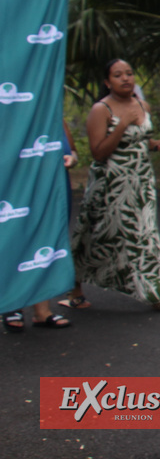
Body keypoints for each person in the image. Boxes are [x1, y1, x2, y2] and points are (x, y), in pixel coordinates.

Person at [60, 59, 160, 315]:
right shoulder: (101, 110)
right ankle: (75, 288)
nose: (125, 78)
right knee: (95, 236)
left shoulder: (142, 104)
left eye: (129, 73)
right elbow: (98, 152)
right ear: (107, 82)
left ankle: (156, 293)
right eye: (117, 75)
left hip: (140, 184)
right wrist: (123, 123)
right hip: (110, 187)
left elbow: (140, 141)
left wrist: (156, 143)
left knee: (145, 235)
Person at [4, 123, 78, 332]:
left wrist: (71, 159)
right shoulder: (13, 110)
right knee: (15, 241)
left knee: (45, 242)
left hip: (49, 187)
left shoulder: (53, 115)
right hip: (16, 188)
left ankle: (42, 310)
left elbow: (72, 151)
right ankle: (13, 305)